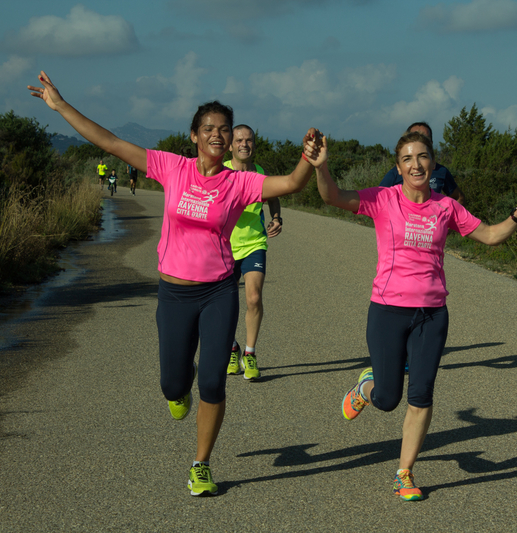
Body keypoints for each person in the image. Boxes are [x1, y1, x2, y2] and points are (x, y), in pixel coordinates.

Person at [27, 71, 324, 497]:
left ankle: (201, 464)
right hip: (174, 292)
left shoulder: (239, 182)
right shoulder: (171, 167)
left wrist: (307, 156)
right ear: (194, 136)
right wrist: (60, 106)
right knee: (173, 387)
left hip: (219, 290)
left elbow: (293, 184)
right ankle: (179, 384)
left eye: (225, 129)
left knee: (214, 383)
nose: (218, 135)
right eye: (209, 129)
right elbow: (109, 141)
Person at [312, 130, 517, 501]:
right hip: (387, 310)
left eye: (422, 157)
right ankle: (365, 386)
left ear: (432, 163)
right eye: (407, 158)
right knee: (388, 399)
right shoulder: (383, 199)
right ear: (398, 167)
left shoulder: (446, 207)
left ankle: (405, 472)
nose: (416, 164)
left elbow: (491, 236)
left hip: (432, 314)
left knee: (421, 395)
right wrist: (322, 168)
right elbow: (332, 196)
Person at [223, 124, 282, 381]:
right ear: (230, 145)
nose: (244, 144)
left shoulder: (260, 173)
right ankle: (232, 347)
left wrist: (277, 217)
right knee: (223, 306)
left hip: (255, 243)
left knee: (254, 298)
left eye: (248, 140)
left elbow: (274, 195)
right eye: (239, 140)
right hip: (224, 246)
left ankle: (249, 353)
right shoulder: (221, 171)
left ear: (254, 145)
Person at [379, 122, 465, 205]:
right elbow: (378, 200)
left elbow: (458, 197)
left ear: (431, 143)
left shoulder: (441, 171)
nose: (416, 166)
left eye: (425, 139)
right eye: (414, 137)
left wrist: (444, 216)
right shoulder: (395, 172)